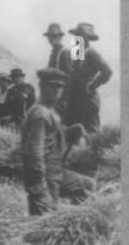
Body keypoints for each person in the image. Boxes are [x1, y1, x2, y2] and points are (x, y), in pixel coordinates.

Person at [22, 67, 95, 215]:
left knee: (88, 185)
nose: (57, 90)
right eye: (53, 85)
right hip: (44, 174)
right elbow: (35, 151)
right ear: (42, 86)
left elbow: (51, 137)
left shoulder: (50, 111)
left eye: (60, 87)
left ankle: (76, 220)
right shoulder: (41, 113)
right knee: (46, 219)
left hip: (56, 170)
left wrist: (70, 132)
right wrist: (39, 186)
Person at [58, 22, 113, 133]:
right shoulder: (75, 53)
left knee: (90, 130)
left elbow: (107, 71)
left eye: (80, 35)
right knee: (70, 128)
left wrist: (92, 85)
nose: (77, 38)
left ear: (86, 38)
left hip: (87, 97)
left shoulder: (92, 53)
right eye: (76, 35)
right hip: (73, 96)